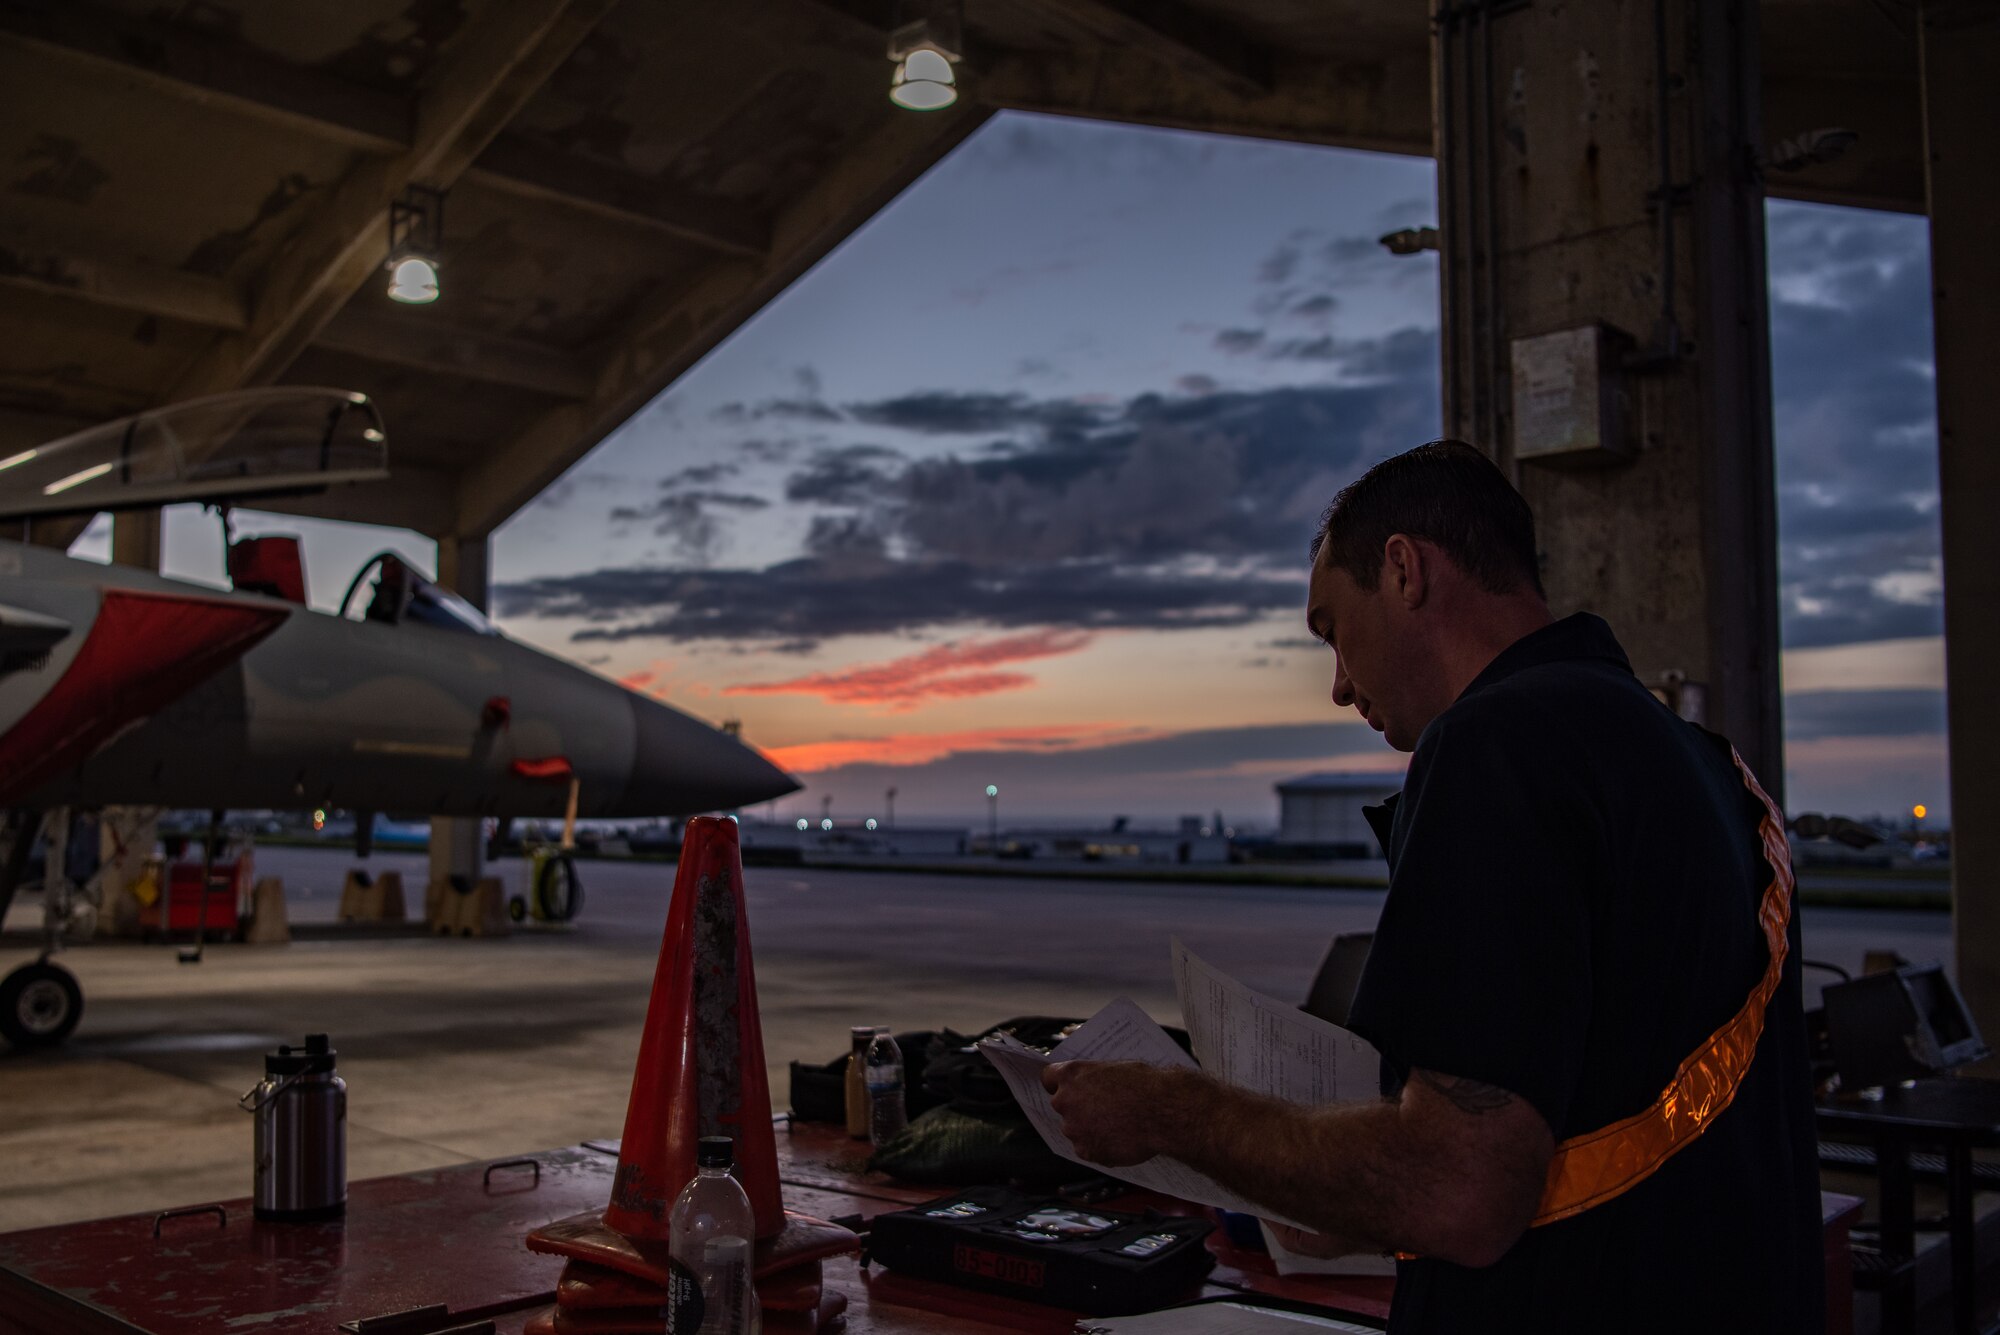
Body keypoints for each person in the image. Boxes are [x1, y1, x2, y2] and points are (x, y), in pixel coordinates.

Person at [1043, 441, 1821, 1332]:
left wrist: (1175, 1113)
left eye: (1332, 630)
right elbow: (1595, 1112)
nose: (1339, 687)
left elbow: (1461, 1188)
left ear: (1405, 569)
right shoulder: (1701, 761)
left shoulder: (1498, 741)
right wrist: (1345, 1187)